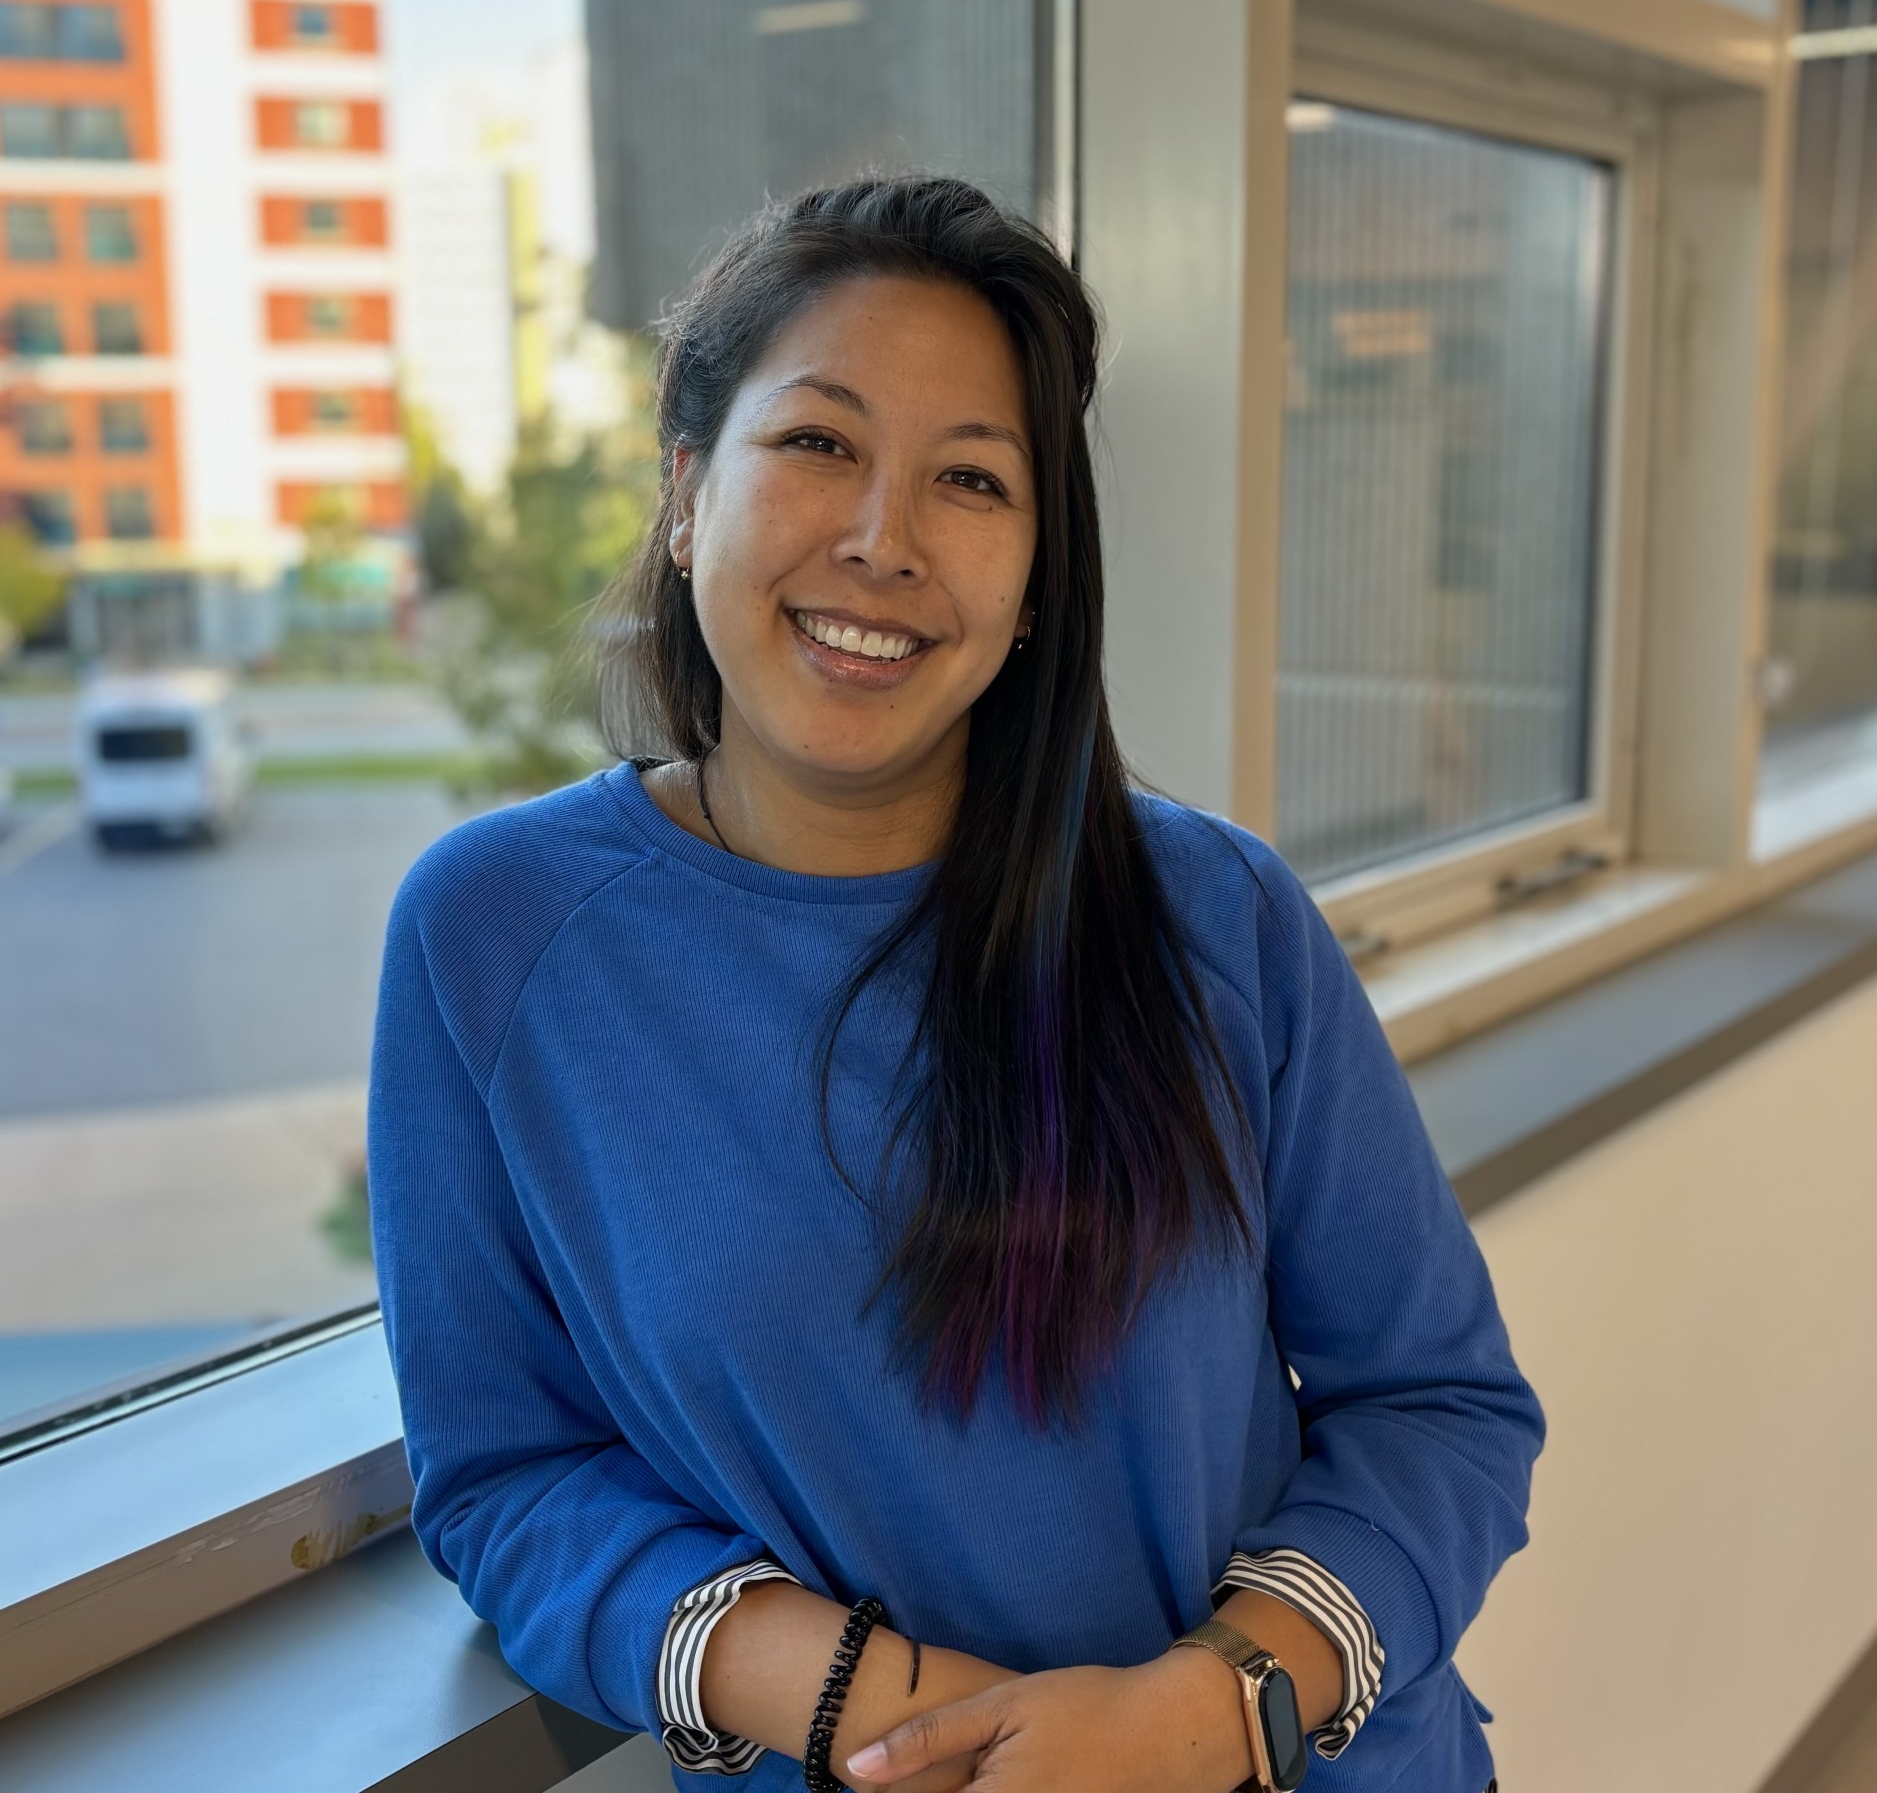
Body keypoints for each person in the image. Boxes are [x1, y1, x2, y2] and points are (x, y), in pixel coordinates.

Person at [368, 176, 1543, 1793]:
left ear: (1038, 574)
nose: (882, 542)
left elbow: (1438, 1408)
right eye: (818, 444)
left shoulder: (1217, 911)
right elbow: (506, 1478)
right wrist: (875, 1704)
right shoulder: (492, 933)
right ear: (688, 486)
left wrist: (1201, 1717)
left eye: (971, 480)